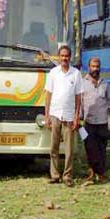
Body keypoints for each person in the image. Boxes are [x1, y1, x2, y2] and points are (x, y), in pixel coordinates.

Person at [44, 45, 82, 186]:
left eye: (67, 56)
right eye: (62, 56)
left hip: (69, 116)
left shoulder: (76, 73)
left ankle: (67, 176)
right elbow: (48, 95)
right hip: (55, 115)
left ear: (70, 57)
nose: (64, 58)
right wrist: (46, 115)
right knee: (53, 148)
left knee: (69, 150)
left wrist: (77, 116)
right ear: (59, 57)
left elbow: (79, 97)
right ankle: (54, 175)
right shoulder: (53, 73)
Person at [80, 57, 110, 185]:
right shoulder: (83, 83)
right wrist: (79, 118)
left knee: (101, 148)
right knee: (90, 148)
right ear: (89, 67)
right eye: (93, 66)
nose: (95, 69)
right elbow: (80, 102)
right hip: (88, 122)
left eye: (97, 66)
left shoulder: (105, 84)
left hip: (103, 122)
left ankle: (101, 173)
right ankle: (92, 173)